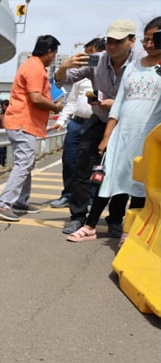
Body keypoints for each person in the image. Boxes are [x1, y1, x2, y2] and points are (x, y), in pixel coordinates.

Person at [66, 17, 161, 245]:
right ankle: (89, 226)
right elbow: (119, 103)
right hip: (121, 134)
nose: (149, 45)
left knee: (138, 185)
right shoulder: (134, 66)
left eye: (154, 39)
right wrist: (107, 135)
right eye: (146, 40)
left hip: (148, 138)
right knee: (108, 180)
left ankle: (129, 230)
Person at [54, 19, 137, 235]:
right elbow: (61, 80)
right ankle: (78, 216)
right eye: (109, 41)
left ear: (131, 41)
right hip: (99, 120)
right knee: (82, 167)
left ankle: (115, 219)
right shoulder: (96, 60)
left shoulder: (142, 62)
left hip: (128, 124)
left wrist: (118, 103)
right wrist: (63, 67)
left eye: (118, 41)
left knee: (122, 172)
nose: (112, 46)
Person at [0, 35, 65, 222]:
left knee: (26, 163)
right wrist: (56, 107)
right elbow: (36, 98)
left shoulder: (33, 66)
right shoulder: (35, 69)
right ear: (49, 52)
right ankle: (4, 203)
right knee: (24, 163)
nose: (54, 58)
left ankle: (21, 201)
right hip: (23, 123)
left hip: (22, 122)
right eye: (54, 54)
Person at [48, 37, 105, 208]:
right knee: (70, 161)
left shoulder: (109, 75)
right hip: (76, 123)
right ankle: (68, 194)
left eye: (91, 54)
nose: (87, 58)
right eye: (86, 54)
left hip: (97, 123)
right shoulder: (80, 75)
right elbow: (71, 101)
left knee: (94, 165)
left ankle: (91, 199)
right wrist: (63, 120)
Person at [0, 99, 9, 166]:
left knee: (10, 150)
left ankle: (9, 162)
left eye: (3, 106)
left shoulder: (13, 115)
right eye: (1, 106)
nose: (2, 108)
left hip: (10, 135)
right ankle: (2, 163)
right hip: (2, 136)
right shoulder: (0, 116)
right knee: (1, 150)